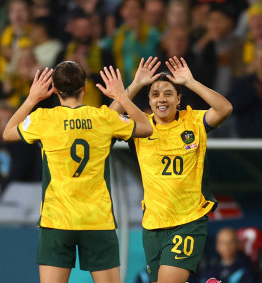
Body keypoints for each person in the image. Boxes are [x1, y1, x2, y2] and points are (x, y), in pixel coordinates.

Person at [2, 61, 153, 283]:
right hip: (97, 220)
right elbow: (146, 128)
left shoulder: (44, 119)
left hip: (57, 220)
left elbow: (7, 132)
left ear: (54, 88)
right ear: (85, 88)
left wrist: (32, 98)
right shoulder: (103, 118)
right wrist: (122, 96)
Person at [109, 56, 233, 283]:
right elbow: (105, 121)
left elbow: (224, 108)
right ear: (149, 100)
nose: (161, 99)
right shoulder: (141, 128)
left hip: (188, 220)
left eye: (168, 93)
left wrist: (191, 81)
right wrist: (135, 84)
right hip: (153, 225)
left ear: (178, 98)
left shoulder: (194, 122)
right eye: (155, 94)